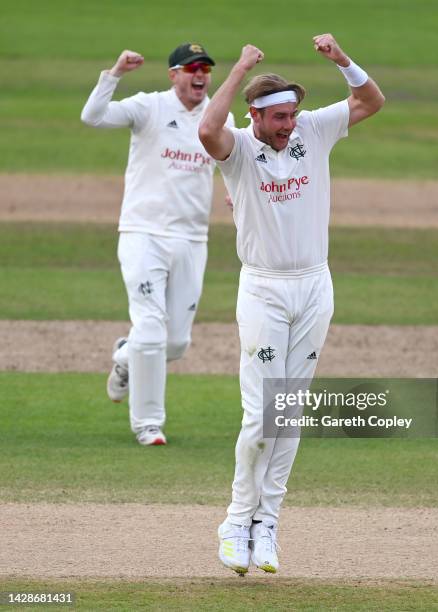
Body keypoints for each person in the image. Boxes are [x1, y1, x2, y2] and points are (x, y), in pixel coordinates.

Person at [199, 33, 385, 573]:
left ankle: (268, 522)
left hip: (315, 285)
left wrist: (344, 61)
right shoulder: (237, 149)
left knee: (289, 412)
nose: (289, 124)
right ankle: (236, 519)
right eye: (278, 117)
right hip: (263, 288)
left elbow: (371, 101)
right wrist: (239, 69)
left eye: (293, 114)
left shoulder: (313, 129)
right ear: (255, 116)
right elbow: (208, 130)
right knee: (261, 414)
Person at [81, 43, 234, 446]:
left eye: (205, 68)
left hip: (192, 238)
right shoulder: (149, 107)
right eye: (191, 68)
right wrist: (114, 73)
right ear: (174, 75)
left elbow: (234, 160)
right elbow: (93, 116)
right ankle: (148, 425)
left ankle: (125, 356)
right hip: (143, 233)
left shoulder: (218, 115)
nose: (200, 75)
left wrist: (237, 191)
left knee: (176, 343)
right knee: (151, 328)